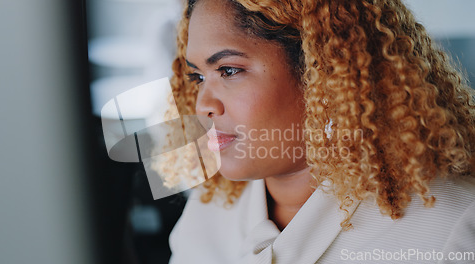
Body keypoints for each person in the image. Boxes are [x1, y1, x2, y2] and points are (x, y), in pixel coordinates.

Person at [162, 0, 475, 263]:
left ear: (322, 75)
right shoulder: (209, 207)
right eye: (198, 77)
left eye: (229, 71)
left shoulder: (452, 227)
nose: (203, 105)